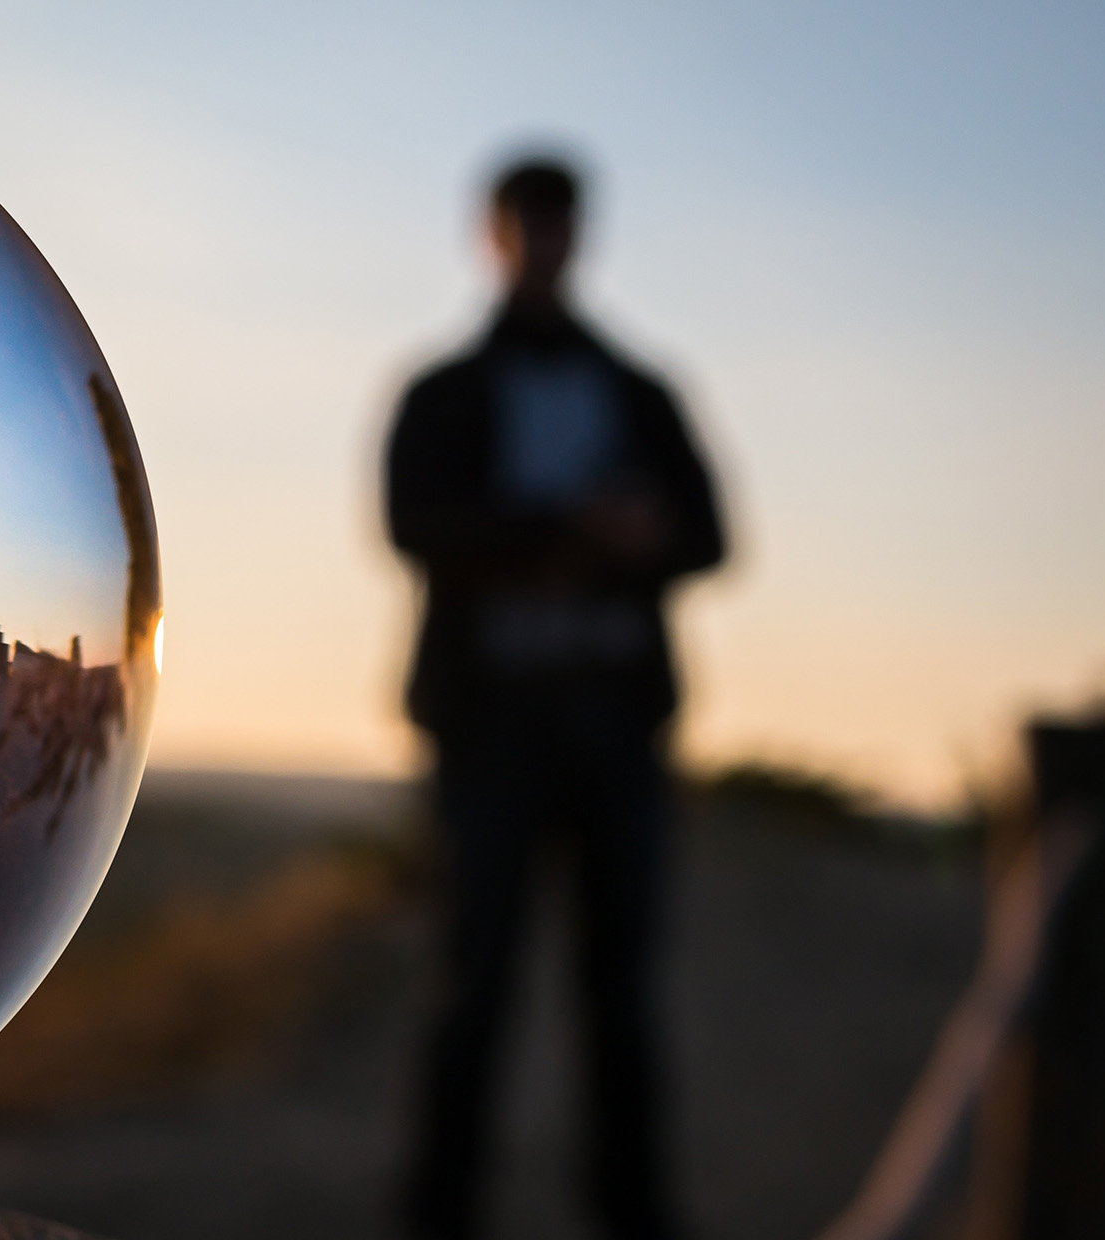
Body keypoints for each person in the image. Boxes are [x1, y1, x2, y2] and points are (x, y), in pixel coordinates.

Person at [384, 156, 726, 1240]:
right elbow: (412, 526)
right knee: (470, 982)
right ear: (493, 235)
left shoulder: (640, 390)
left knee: (618, 992)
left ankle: (630, 1212)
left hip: (616, 725)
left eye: (557, 223)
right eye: (525, 224)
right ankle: (440, 1215)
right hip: (488, 727)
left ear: (578, 235)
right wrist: (575, 529)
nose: (541, 242)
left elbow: (709, 536)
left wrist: (596, 540)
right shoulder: (441, 391)